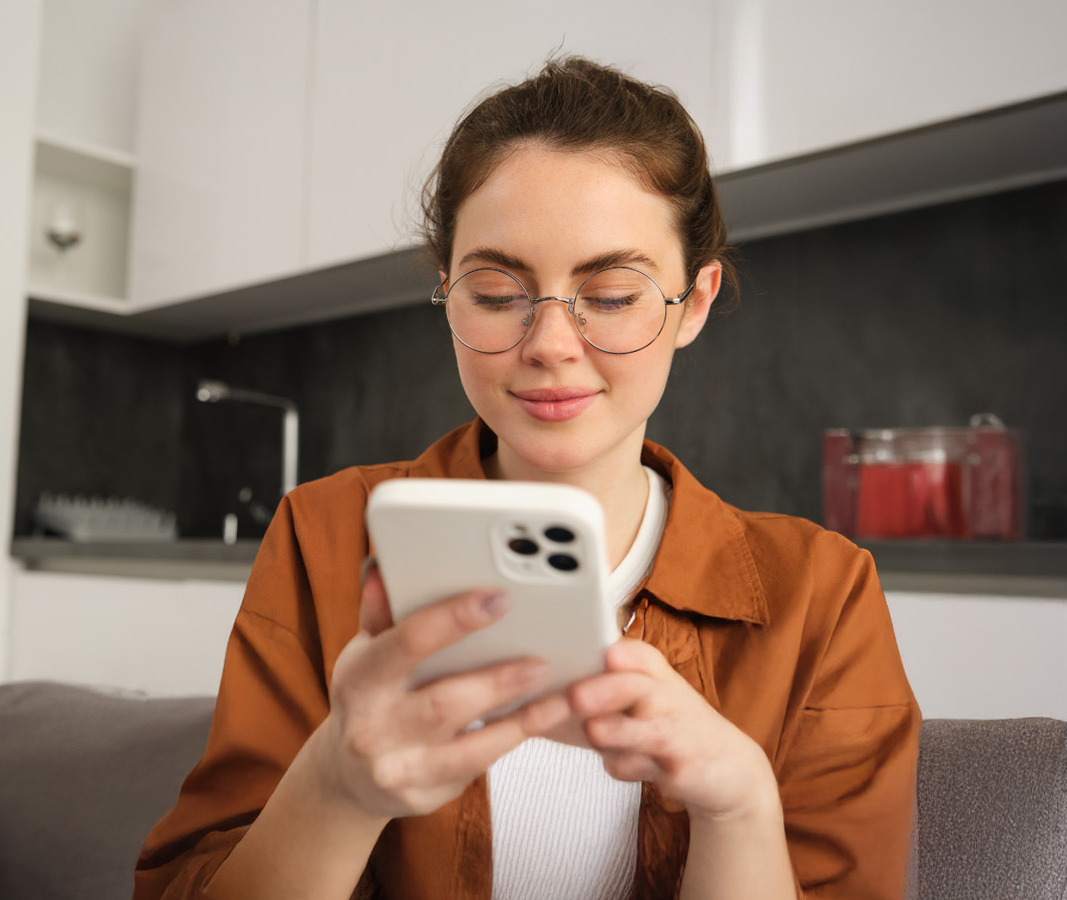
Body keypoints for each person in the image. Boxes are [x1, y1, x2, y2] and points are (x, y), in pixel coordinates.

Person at [133, 57, 920, 900]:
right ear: (446, 293)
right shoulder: (322, 536)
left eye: (612, 294)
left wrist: (740, 805)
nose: (549, 343)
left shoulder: (824, 597)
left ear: (692, 303)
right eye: (498, 291)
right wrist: (337, 785)